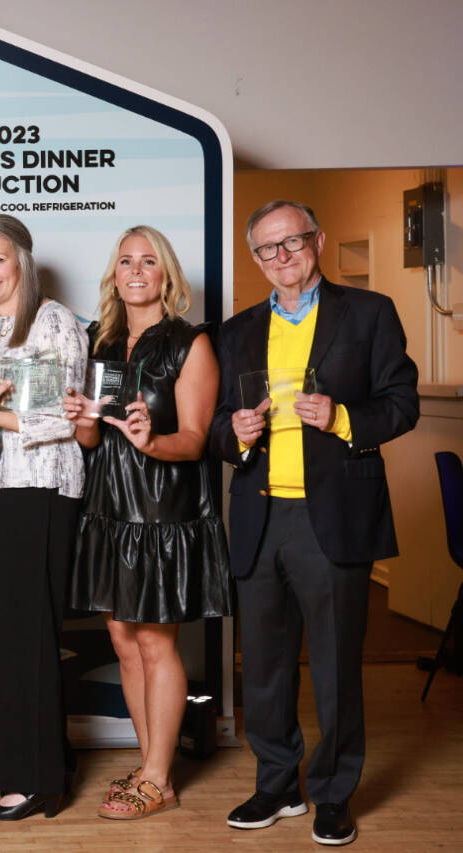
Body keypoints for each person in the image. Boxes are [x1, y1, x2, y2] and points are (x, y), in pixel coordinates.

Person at [212, 200, 418, 846]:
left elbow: (403, 403)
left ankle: (333, 793)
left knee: (334, 668)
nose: (281, 256)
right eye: (267, 248)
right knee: (264, 668)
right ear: (256, 259)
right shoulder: (237, 330)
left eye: (292, 242)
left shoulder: (370, 313)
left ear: (318, 241)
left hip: (333, 517)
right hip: (259, 514)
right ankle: (277, 785)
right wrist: (235, 432)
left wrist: (343, 418)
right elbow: (214, 423)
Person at [63, 226, 231, 820]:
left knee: (156, 642)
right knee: (122, 638)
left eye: (149, 261)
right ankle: (148, 764)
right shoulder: (98, 339)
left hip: (162, 510)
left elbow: (195, 440)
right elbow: (88, 441)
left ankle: (159, 778)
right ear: (114, 275)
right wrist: (82, 420)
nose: (136, 270)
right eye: (126, 261)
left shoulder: (191, 343)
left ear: (167, 276)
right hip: (108, 508)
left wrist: (150, 441)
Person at [0, 213, 86, 822]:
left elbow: (65, 419)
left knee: (24, 638)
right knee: (3, 636)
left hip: (42, 492)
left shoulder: (52, 321)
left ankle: (32, 782)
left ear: (23, 262)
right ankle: (48, 764)